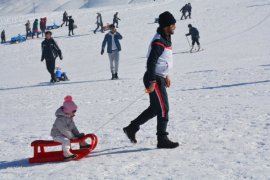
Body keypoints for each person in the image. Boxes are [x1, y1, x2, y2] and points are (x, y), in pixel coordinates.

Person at [123, 11, 179, 149]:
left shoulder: (166, 37)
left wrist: (166, 74)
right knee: (164, 109)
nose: (175, 27)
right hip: (153, 78)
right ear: (166, 26)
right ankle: (162, 139)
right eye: (172, 25)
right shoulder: (159, 41)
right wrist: (153, 82)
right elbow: (151, 62)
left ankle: (132, 127)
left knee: (155, 109)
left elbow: (163, 59)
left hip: (158, 77)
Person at [51, 96, 91, 161]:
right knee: (66, 140)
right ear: (67, 111)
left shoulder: (69, 117)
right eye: (73, 111)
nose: (74, 113)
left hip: (65, 134)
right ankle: (66, 154)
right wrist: (72, 137)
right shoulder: (60, 119)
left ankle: (83, 145)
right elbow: (64, 130)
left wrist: (77, 134)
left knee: (78, 135)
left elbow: (73, 127)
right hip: (57, 135)